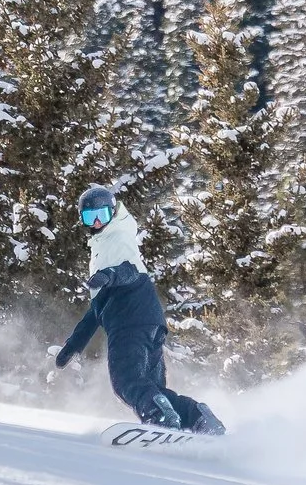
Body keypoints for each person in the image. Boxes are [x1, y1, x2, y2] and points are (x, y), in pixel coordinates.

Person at [50, 185, 222, 431]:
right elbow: (97, 310)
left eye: (102, 215)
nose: (97, 222)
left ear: (113, 212)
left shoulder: (117, 239)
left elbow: (130, 271)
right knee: (151, 387)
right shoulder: (107, 242)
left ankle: (160, 417)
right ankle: (196, 417)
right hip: (148, 319)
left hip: (129, 320)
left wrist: (110, 274)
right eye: (90, 217)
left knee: (126, 380)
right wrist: (73, 346)